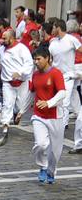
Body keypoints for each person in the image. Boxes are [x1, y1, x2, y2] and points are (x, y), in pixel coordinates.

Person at [30, 46, 66, 184]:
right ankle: (43, 167)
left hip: (55, 116)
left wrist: (49, 103)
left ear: (47, 59)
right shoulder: (35, 75)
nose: (36, 62)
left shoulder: (56, 73)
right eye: (34, 59)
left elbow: (62, 93)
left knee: (55, 151)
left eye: (38, 59)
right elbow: (31, 93)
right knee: (41, 144)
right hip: (38, 116)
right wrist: (21, 111)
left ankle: (51, 170)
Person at [0, 27, 34, 126]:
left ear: (12, 38)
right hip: (7, 83)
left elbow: (29, 63)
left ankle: (16, 113)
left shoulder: (22, 49)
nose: (2, 40)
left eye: (5, 39)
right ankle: (5, 124)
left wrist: (20, 73)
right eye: (2, 38)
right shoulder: (0, 50)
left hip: (22, 82)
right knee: (7, 104)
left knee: (20, 106)